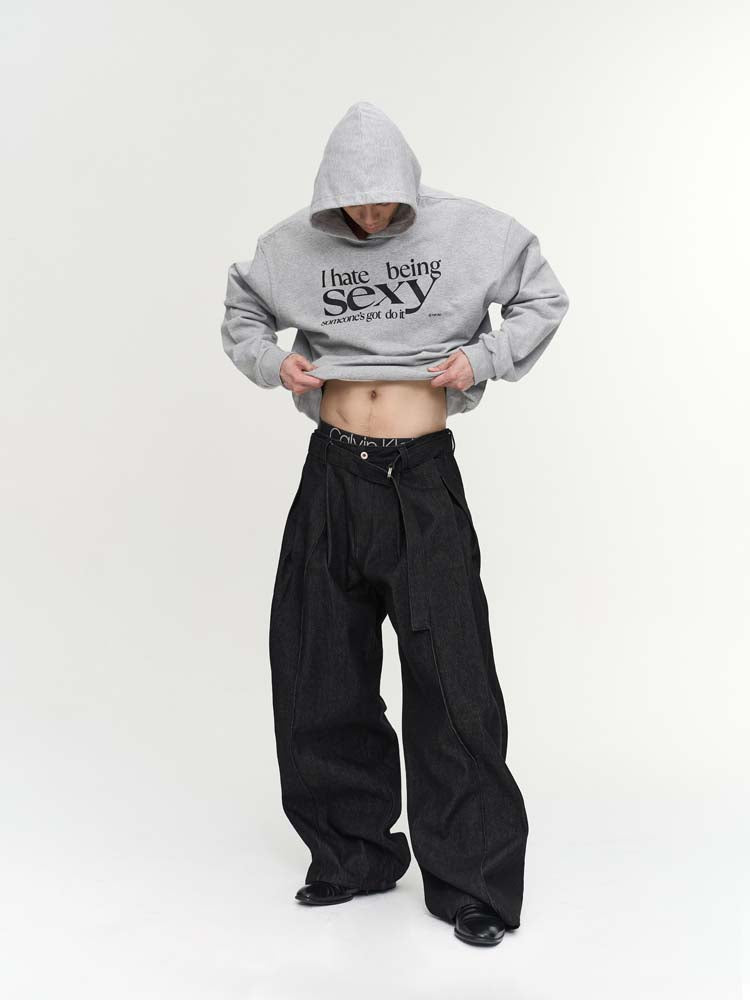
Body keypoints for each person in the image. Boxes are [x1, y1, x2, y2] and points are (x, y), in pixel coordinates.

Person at [221, 100, 569, 947]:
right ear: (329, 195)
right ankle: (352, 856)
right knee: (319, 668)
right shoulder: (290, 245)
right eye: (354, 204)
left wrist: (483, 357)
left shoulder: (471, 231)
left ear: (409, 187)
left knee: (453, 680)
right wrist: (273, 362)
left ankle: (473, 885)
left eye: (385, 202)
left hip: (420, 480)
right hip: (332, 474)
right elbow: (243, 312)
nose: (371, 216)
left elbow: (542, 297)